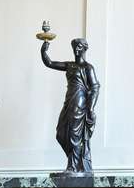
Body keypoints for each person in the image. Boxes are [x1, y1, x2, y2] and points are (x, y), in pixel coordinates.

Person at [41, 38, 100, 174]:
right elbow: (49, 63)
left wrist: (90, 107)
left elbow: (95, 87)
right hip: (69, 101)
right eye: (74, 47)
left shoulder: (88, 68)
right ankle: (74, 163)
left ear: (85, 49)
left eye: (79, 47)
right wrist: (43, 50)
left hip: (80, 103)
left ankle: (73, 167)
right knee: (61, 133)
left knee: (74, 135)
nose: (76, 49)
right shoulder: (70, 65)